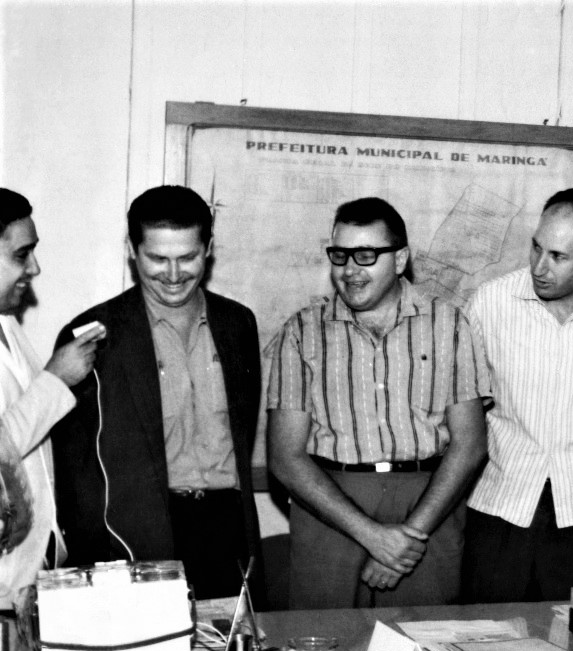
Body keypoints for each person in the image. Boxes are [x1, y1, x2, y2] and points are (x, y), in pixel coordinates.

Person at [268, 197, 488, 609]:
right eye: (340, 255)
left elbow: (470, 445)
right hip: (330, 513)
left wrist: (410, 535)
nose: (350, 270)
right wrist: (373, 536)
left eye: (366, 255)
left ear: (400, 259)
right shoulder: (301, 331)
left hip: (429, 510)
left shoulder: (449, 324)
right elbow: (285, 457)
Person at [53, 186, 259, 600]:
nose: (173, 273)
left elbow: (244, 429)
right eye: (157, 259)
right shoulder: (93, 336)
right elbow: (76, 478)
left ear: (209, 249)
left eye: (187, 257)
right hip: (139, 537)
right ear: (132, 251)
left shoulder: (238, 324)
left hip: (225, 529)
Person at [464, 188, 573, 602]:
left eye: (558, 257)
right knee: (490, 645)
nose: (539, 267)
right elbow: (468, 412)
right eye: (535, 248)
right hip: (500, 514)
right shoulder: (490, 303)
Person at [0, 189, 101, 609]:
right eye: (21, 256)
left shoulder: (7, 325)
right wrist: (56, 378)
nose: (35, 268)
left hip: (31, 577)